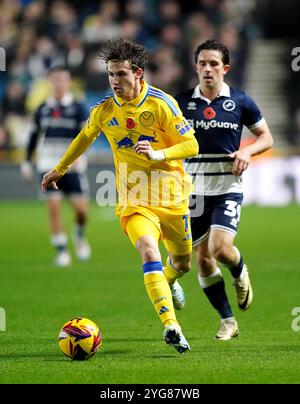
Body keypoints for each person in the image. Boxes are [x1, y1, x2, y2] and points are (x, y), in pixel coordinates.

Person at [41, 39, 199, 353]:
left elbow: (191, 145)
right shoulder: (104, 110)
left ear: (138, 73)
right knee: (148, 252)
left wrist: (158, 154)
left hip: (172, 197)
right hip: (134, 200)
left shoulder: (161, 104)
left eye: (120, 74)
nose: (114, 81)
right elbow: (84, 137)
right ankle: (171, 326)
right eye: (111, 74)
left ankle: (170, 280)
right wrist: (60, 168)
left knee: (181, 263)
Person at [175, 39, 273, 340]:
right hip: (193, 192)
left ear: (225, 68)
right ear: (195, 67)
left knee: (219, 249)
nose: (207, 69)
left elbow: (266, 138)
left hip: (227, 187)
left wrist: (247, 152)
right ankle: (228, 320)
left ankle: (240, 271)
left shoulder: (240, 101)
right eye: (202, 63)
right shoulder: (179, 103)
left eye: (214, 64)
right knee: (202, 260)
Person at [21, 65, 91, 267]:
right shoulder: (42, 108)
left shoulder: (78, 108)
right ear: (50, 82)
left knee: (81, 211)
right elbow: (33, 136)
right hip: (47, 164)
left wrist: (79, 156)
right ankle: (62, 251)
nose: (59, 83)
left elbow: (86, 136)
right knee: (53, 207)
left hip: (72, 166)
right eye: (55, 80)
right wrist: (27, 161)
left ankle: (79, 235)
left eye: (63, 79)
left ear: (69, 82)